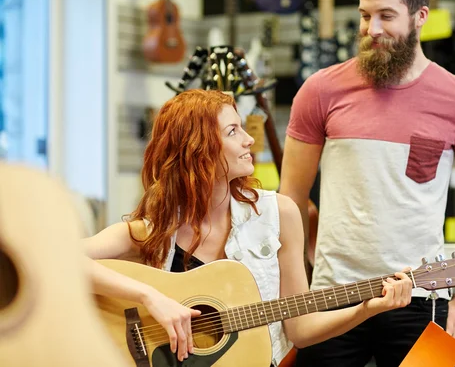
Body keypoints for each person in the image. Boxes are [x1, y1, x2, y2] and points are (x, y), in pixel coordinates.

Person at [83, 89, 415, 366]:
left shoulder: (279, 214)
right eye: (232, 131)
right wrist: (149, 296)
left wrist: (367, 308)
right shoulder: (152, 232)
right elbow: (56, 258)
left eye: (242, 128)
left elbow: (299, 329)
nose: (248, 140)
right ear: (198, 151)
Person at [279, 0, 455, 366]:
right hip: (333, 298)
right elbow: (290, 200)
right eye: (366, 16)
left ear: (420, 16)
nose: (373, 29)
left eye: (386, 15)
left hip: (423, 298)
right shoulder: (319, 91)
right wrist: (298, 287)